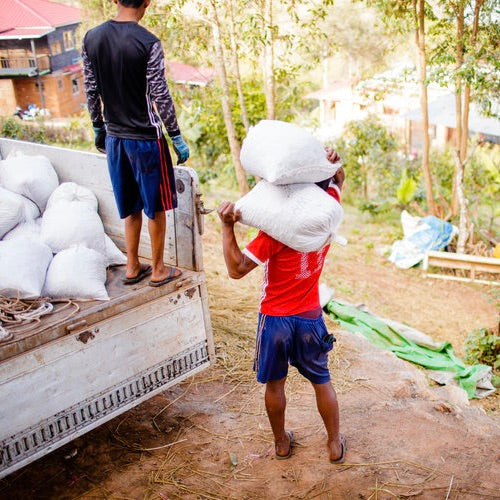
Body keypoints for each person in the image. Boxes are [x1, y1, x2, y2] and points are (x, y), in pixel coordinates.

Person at [217, 149, 346, 463]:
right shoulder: (328, 216)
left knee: (275, 384)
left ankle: (281, 443)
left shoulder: (275, 232)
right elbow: (338, 181)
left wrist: (226, 226)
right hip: (310, 317)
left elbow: (235, 269)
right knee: (322, 381)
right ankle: (333, 444)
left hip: (275, 320)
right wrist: (333, 161)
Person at [82, 0, 188, 287]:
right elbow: (160, 95)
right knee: (156, 207)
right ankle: (157, 269)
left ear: (115, 0)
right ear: (147, 2)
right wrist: (175, 135)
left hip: (115, 138)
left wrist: (98, 126)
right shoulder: (148, 43)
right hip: (146, 140)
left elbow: (91, 89)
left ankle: (131, 266)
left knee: (129, 205)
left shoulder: (92, 38)